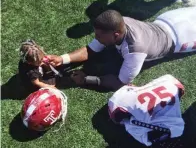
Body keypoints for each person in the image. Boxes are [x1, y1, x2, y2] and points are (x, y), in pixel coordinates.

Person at [48, 7, 196, 91]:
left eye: (99, 35)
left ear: (115, 35)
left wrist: (86, 79)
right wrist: (62, 58)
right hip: (168, 19)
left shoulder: (135, 51)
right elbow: (91, 49)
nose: (96, 38)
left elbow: (120, 82)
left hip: (183, 38)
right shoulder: (118, 23)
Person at [108, 74, 185, 146]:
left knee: (132, 127)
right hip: (164, 110)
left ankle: (158, 132)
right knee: (176, 126)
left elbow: (116, 118)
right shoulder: (169, 80)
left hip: (146, 113)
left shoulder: (119, 101)